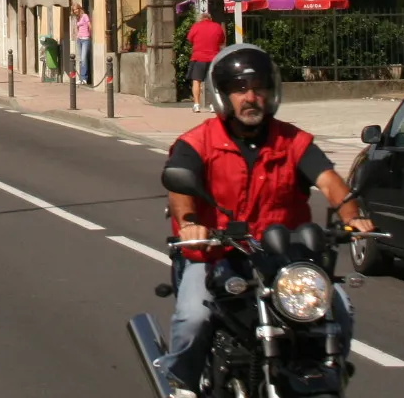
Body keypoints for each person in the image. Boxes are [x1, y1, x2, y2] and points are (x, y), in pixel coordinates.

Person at [157, 45, 373, 396]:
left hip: (283, 257)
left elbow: (329, 182)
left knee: (339, 308)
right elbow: (179, 189)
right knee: (194, 317)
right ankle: (181, 382)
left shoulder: (293, 141)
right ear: (223, 96)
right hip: (217, 251)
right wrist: (190, 223)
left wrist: (354, 216)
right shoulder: (197, 142)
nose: (251, 98)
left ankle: (331, 372)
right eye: (241, 89)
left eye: (259, 89)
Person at [185, 6, 226, 112]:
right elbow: (222, 40)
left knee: (196, 81)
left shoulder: (196, 26)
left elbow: (189, 39)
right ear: (210, 18)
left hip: (198, 58)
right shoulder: (217, 27)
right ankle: (212, 105)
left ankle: (197, 105)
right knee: (212, 82)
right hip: (213, 58)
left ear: (201, 18)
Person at [74, 5, 93, 85]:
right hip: (79, 39)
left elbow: (89, 25)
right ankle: (81, 78)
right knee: (81, 59)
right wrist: (77, 36)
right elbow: (78, 28)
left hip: (85, 39)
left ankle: (84, 78)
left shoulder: (85, 16)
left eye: (76, 9)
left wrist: (89, 35)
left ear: (79, 9)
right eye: (74, 10)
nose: (75, 11)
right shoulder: (77, 18)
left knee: (84, 58)